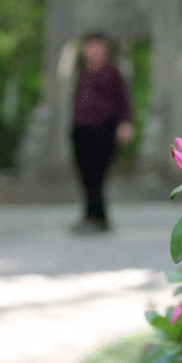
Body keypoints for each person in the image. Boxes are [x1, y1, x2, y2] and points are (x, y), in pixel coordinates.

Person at [69, 32, 133, 234]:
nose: (94, 50)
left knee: (98, 175)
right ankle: (91, 216)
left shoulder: (113, 73)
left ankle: (98, 218)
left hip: (104, 129)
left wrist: (126, 124)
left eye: (98, 46)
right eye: (90, 46)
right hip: (81, 129)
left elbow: (124, 101)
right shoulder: (81, 72)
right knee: (85, 175)